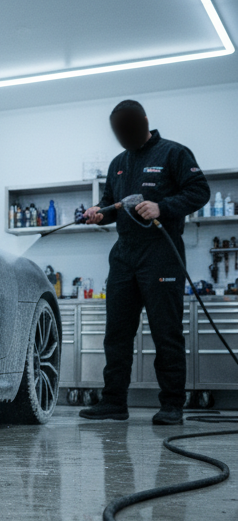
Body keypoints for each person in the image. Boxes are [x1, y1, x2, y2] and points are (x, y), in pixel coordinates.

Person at [79, 99, 210, 425]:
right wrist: (99, 213)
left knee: (166, 332)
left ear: (145, 122)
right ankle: (113, 403)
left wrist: (161, 207)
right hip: (124, 256)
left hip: (161, 254)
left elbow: (200, 191)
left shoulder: (174, 153)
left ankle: (171, 406)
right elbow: (110, 204)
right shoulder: (118, 163)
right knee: (117, 334)